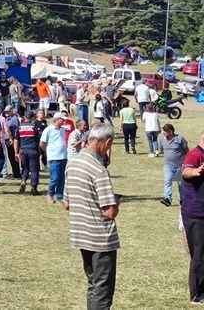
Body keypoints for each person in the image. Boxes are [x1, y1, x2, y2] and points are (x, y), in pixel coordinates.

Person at [64, 123, 120, 310]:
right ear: (107, 142)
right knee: (103, 290)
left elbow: (67, 203)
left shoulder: (73, 163)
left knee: (93, 285)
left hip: (81, 234)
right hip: (100, 239)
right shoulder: (98, 169)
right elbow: (110, 212)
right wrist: (116, 203)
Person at [182, 131, 204, 304]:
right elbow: (186, 171)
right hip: (196, 214)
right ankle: (196, 294)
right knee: (199, 253)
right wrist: (195, 171)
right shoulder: (195, 154)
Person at [40, 113, 68, 203]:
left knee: (62, 178)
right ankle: (50, 194)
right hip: (54, 157)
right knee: (55, 177)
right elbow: (42, 143)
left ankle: (59, 196)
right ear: (56, 119)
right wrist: (47, 152)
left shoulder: (63, 130)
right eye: (62, 119)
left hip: (63, 156)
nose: (63, 121)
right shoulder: (48, 129)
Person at [159, 124, 188, 207]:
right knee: (167, 181)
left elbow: (187, 151)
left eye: (165, 132)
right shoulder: (162, 139)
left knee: (180, 184)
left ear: (170, 131)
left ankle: (183, 200)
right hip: (168, 166)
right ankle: (167, 199)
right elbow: (161, 149)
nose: (163, 133)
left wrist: (186, 163)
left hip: (180, 166)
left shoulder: (179, 139)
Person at [14, 111, 41, 195]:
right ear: (32, 117)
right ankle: (33, 188)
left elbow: (16, 140)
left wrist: (16, 152)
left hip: (23, 150)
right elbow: (39, 139)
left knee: (25, 168)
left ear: (25, 117)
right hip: (33, 150)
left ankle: (23, 181)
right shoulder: (34, 127)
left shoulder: (19, 127)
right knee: (34, 170)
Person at [4, 106, 21, 179]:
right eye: (6, 112)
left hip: (13, 140)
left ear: (12, 111)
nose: (6, 113)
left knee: (14, 156)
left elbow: (15, 131)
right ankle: (15, 172)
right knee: (11, 157)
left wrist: (12, 139)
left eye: (8, 111)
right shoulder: (8, 119)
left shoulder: (14, 119)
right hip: (9, 140)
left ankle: (17, 173)